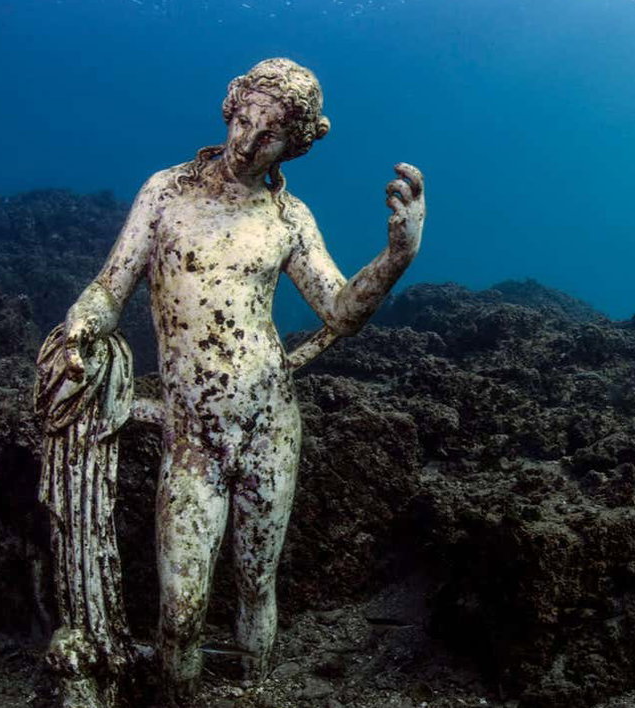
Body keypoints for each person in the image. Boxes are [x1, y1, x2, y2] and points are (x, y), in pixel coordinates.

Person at [58, 57, 425, 701]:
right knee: (183, 602)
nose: (250, 141)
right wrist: (80, 330)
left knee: (257, 586)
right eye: (248, 120)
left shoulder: (289, 219)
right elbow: (108, 289)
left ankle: (252, 692)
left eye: (273, 134)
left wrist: (397, 256)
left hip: (270, 425)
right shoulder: (166, 194)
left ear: (298, 143)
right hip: (193, 436)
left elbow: (340, 312)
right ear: (232, 108)